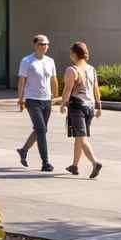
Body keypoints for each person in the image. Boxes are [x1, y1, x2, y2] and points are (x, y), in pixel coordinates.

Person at [60, 41, 103, 179]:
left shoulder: (71, 70)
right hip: (90, 107)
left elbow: (67, 90)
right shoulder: (92, 69)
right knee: (79, 137)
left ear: (74, 54)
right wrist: (99, 107)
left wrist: (62, 104)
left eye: (71, 53)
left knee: (82, 138)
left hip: (77, 107)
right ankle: (74, 165)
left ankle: (95, 162)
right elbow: (96, 89)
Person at [16, 34, 58, 172]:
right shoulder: (27, 61)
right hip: (32, 99)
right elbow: (22, 80)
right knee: (41, 129)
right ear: (35, 45)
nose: (44, 46)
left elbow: (53, 79)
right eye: (41, 44)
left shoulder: (50, 61)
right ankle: (45, 162)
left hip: (47, 100)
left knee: (42, 130)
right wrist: (21, 99)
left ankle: (23, 150)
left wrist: (55, 96)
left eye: (46, 44)